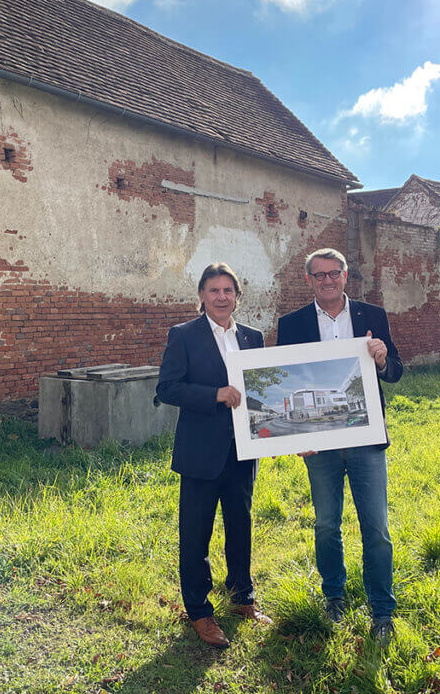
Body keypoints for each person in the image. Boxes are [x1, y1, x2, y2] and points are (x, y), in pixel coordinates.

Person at [276, 247, 403, 643]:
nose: (328, 280)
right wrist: (296, 436)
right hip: (320, 445)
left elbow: (396, 372)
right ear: (309, 280)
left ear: (346, 276)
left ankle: (382, 610)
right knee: (327, 524)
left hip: (366, 441)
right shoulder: (292, 323)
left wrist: (382, 360)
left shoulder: (373, 315)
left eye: (334, 273)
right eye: (319, 275)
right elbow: (285, 380)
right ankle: (334, 598)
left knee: (376, 529)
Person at [156, 262, 272, 648]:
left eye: (228, 290)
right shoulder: (184, 335)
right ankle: (200, 612)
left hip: (243, 451)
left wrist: (275, 434)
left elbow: (262, 390)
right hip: (200, 452)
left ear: (237, 295)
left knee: (241, 527)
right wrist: (214, 395)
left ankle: (243, 598)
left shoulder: (254, 337)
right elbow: (168, 388)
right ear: (202, 296)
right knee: (195, 535)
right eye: (213, 290)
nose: (221, 297)